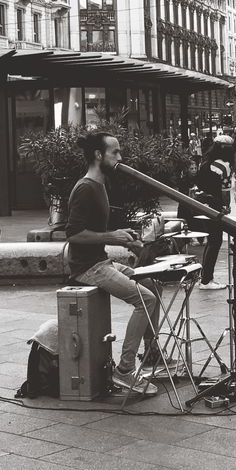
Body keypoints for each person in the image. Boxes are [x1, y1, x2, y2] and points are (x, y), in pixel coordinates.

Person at [64, 131, 161, 396]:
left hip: (100, 261)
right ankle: (124, 371)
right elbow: (72, 233)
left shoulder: (100, 184)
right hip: (88, 268)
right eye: (115, 152)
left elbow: (95, 231)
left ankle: (153, 356)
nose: (120, 157)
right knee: (146, 299)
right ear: (98, 155)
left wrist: (125, 239)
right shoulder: (85, 187)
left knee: (154, 282)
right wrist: (111, 236)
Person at [190, 137, 233, 287]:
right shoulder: (224, 166)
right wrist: (226, 206)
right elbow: (225, 191)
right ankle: (207, 280)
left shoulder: (205, 162)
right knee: (215, 241)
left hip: (202, 204)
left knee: (212, 241)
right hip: (215, 205)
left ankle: (206, 277)